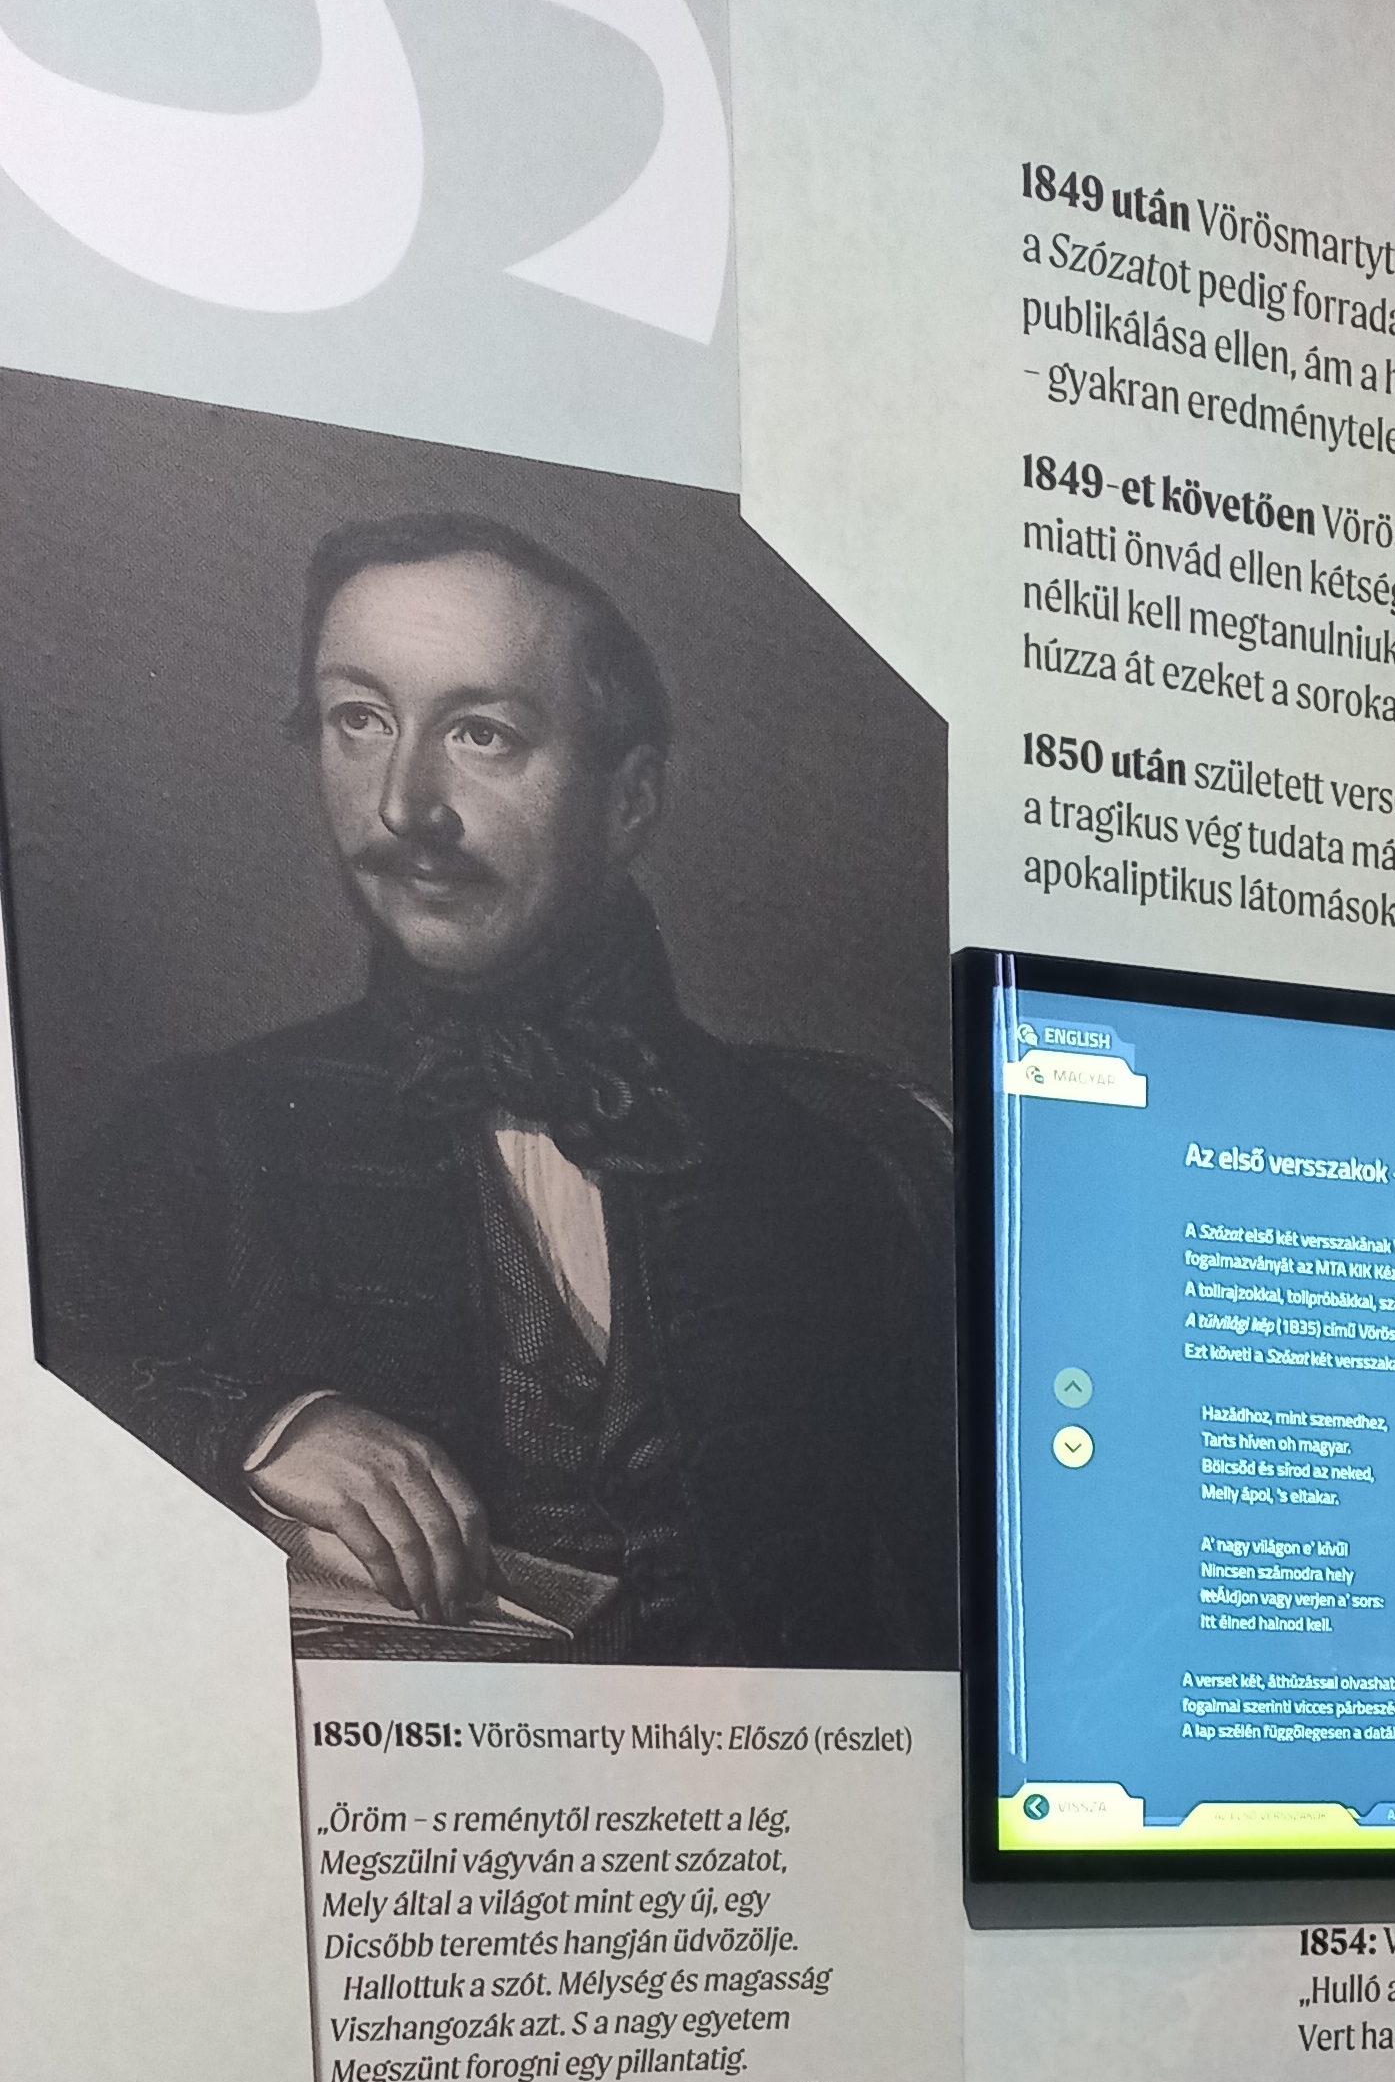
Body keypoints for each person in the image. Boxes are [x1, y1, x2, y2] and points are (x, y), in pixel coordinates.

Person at [41, 510, 954, 1663]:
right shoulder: (193, 1137)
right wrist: (256, 1430)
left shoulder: (833, 1165)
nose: (402, 808)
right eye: (359, 720)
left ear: (629, 800)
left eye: (482, 734)